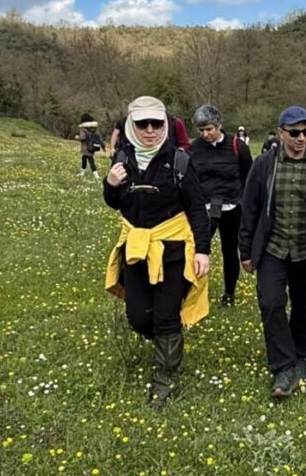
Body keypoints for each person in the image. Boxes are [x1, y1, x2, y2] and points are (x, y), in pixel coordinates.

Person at [102, 96, 212, 409]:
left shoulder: (180, 161)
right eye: (143, 124)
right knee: (138, 317)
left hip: (173, 251)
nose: (150, 130)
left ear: (165, 125)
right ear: (131, 126)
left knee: (165, 316)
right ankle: (167, 342)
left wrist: (202, 251)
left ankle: (166, 378)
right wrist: (110, 184)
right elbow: (115, 202)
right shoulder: (123, 158)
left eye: (156, 123)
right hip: (136, 250)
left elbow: (197, 209)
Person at [239, 106, 306, 398]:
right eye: (294, 132)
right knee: (271, 304)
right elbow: (250, 207)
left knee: (302, 306)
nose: (301, 138)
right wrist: (246, 250)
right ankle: (283, 367)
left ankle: (301, 358)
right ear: (281, 134)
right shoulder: (264, 165)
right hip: (273, 248)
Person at [190, 104, 254, 307]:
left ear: (218, 126)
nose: (205, 134)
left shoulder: (237, 146)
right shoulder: (194, 148)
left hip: (232, 207)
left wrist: (244, 203)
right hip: (204, 207)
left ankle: (229, 294)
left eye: (209, 129)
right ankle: (192, 292)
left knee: (229, 251)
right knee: (196, 248)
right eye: (201, 130)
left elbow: (248, 177)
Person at [76, 114, 102, 179]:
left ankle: (96, 175)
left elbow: (82, 137)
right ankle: (82, 173)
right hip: (92, 146)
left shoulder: (83, 128)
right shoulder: (93, 127)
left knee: (90, 160)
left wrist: (77, 137)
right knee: (84, 159)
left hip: (86, 147)